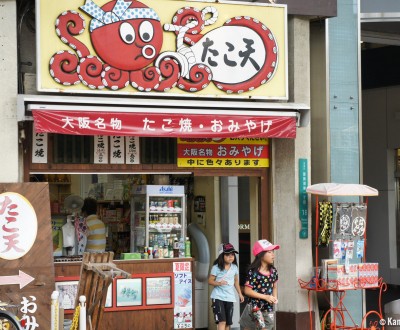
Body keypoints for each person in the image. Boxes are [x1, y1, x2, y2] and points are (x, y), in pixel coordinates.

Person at [239, 239, 280, 330]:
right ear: (261, 255)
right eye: (269, 252)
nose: (273, 255)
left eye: (273, 252)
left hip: (268, 309)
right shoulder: (253, 272)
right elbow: (247, 291)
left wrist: (274, 298)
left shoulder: (274, 271)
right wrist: (266, 297)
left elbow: (274, 287)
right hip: (254, 308)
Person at [208, 242, 245, 330]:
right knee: (222, 321)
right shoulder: (216, 267)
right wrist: (219, 283)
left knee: (228, 323)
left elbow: (236, 281)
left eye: (232, 254)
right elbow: (210, 281)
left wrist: (240, 294)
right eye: (228, 254)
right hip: (218, 297)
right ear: (222, 255)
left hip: (230, 297)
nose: (231, 257)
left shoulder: (235, 267)